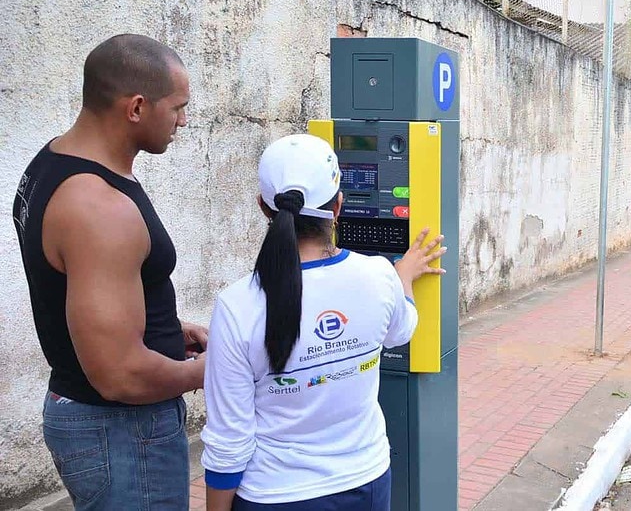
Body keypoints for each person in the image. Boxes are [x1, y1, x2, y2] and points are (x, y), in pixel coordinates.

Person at [200, 134, 447, 511]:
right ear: (338, 207)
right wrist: (403, 278)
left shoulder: (237, 306)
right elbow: (402, 330)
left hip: (276, 496)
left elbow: (228, 441)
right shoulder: (379, 277)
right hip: (366, 482)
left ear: (264, 209)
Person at [11, 34, 205, 510]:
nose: (183, 120)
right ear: (136, 107)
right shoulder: (99, 206)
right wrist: (216, 370)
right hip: (123, 433)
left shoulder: (51, 163)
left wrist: (167, 330)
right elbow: (121, 375)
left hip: (104, 426)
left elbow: (77, 290)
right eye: (178, 106)